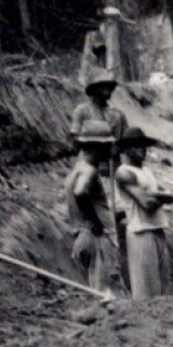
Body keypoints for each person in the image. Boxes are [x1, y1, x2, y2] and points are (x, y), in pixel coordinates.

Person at [112, 127, 173, 300]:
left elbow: (153, 193)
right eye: (136, 146)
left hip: (157, 229)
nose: (142, 149)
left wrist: (164, 194)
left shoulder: (146, 171)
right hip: (140, 231)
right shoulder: (124, 172)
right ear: (126, 149)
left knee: (163, 286)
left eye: (143, 145)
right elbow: (146, 203)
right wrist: (165, 199)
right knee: (145, 292)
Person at [64, 118, 118, 292]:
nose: (109, 150)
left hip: (82, 237)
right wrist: (96, 223)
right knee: (105, 294)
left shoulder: (77, 169)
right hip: (96, 240)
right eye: (105, 145)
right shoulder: (90, 170)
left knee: (94, 291)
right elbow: (80, 192)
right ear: (96, 146)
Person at [68, 75, 128, 146]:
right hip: (86, 152)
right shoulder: (82, 110)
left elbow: (118, 141)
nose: (108, 91)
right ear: (95, 89)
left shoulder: (116, 114)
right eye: (104, 87)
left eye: (110, 87)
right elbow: (74, 135)